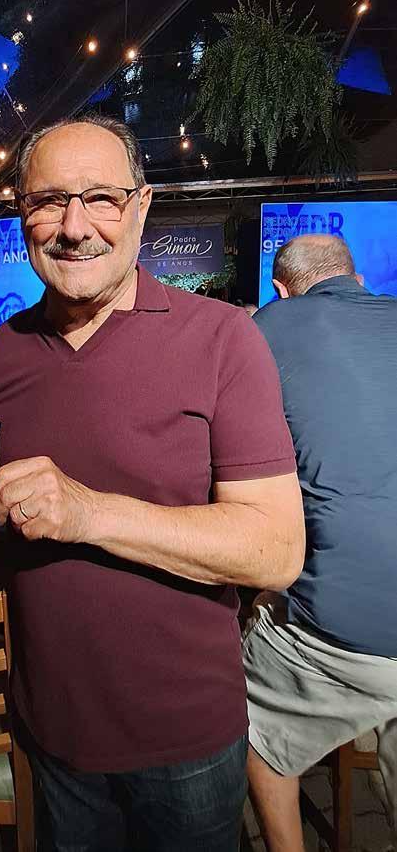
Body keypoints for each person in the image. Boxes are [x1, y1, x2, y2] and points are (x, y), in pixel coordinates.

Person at [0, 113, 303, 852]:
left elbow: (275, 551)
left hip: (184, 736)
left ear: (141, 207)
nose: (74, 227)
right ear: (21, 214)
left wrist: (89, 512)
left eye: (101, 197)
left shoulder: (224, 338)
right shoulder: (3, 353)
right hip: (49, 726)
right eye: (48, 201)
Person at [243, 234, 397, 851]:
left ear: (281, 289)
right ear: (356, 279)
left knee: (251, 729)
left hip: (350, 625)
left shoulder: (267, 328)